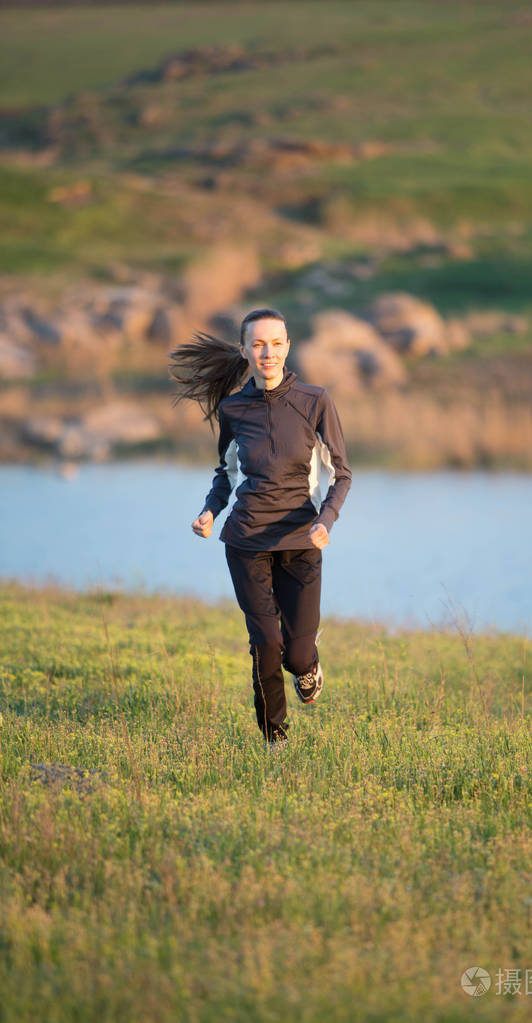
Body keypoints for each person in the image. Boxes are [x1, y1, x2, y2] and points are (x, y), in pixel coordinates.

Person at [169, 308, 351, 748]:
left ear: (287, 347)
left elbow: (341, 474)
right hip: (247, 541)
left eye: (276, 343)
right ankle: (275, 739)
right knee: (266, 641)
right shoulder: (233, 409)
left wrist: (325, 520)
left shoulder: (315, 401)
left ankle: (307, 665)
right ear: (244, 351)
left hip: (302, 541)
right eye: (258, 344)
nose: (268, 352)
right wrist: (210, 511)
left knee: (297, 655)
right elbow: (227, 472)